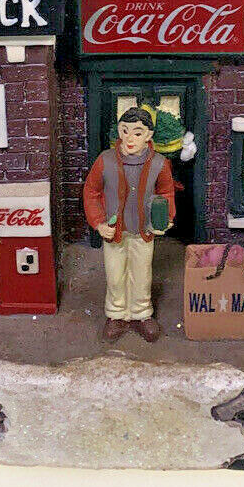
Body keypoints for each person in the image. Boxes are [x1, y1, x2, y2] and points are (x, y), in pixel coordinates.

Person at [82, 107, 175, 343]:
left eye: (137, 133)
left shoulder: (159, 163)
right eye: (125, 131)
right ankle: (117, 314)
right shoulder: (105, 160)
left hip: (143, 230)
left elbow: (166, 192)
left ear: (149, 135)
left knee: (142, 274)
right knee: (115, 275)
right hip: (115, 232)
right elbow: (91, 192)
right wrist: (98, 222)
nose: (130, 138)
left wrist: (165, 218)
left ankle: (141, 313)